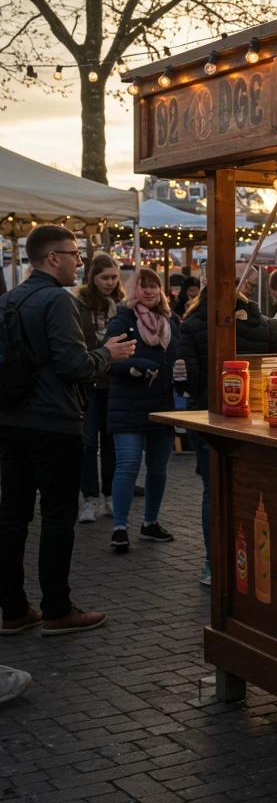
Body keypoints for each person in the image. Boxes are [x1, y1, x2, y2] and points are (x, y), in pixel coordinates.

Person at [0, 225, 134, 636]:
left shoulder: (9, 299)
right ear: (52, 257)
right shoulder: (56, 299)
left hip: (10, 421)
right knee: (58, 516)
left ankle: (14, 610)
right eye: (75, 254)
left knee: (13, 517)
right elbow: (73, 365)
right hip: (53, 422)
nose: (80, 261)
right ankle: (57, 609)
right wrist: (106, 354)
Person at [179, 285, 277, 584]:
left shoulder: (189, 326)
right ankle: (250, 558)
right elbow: (276, 370)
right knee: (253, 489)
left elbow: (187, 376)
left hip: (207, 413)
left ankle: (213, 563)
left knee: (212, 488)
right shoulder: (264, 325)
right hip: (254, 414)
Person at [105, 267, 182, 552]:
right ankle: (120, 527)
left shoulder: (171, 321)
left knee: (158, 469)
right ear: (134, 289)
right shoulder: (123, 320)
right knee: (127, 466)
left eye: (154, 286)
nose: (149, 291)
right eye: (143, 286)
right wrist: (136, 366)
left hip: (161, 404)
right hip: (127, 403)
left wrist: (183, 372)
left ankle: (150, 523)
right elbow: (107, 359)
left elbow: (180, 356)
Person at [73, 254, 126, 523]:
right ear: (92, 278)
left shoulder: (120, 304)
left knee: (111, 444)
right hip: (88, 382)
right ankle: (90, 498)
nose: (110, 282)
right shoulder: (78, 303)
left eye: (114, 277)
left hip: (114, 383)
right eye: (104, 277)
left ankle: (109, 495)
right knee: (87, 442)